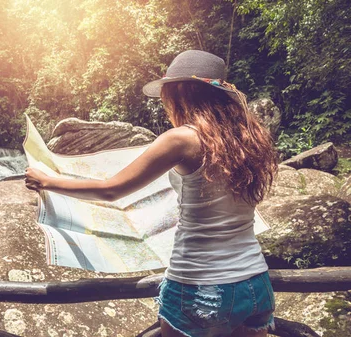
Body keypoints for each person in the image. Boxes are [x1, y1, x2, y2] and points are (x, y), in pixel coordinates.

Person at [24, 50, 279, 337]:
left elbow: (111, 190)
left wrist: (46, 180)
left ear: (181, 93)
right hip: (255, 284)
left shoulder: (181, 139)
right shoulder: (246, 137)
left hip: (199, 285)